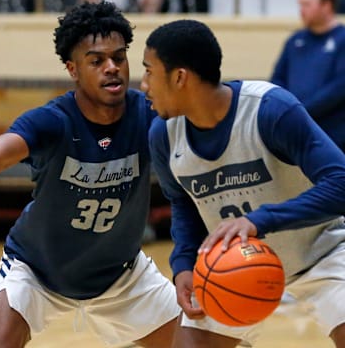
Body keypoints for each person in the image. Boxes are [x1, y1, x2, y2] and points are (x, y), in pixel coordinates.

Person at [0, 1, 180, 348]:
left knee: (206, 343)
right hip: (36, 271)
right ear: (73, 69)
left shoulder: (150, 114)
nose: (111, 68)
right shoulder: (53, 121)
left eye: (118, 58)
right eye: (97, 60)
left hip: (122, 275)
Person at [141, 18, 345, 347]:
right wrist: (182, 266)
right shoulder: (163, 135)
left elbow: (341, 182)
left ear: (179, 77)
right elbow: (183, 204)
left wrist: (258, 220)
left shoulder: (271, 110)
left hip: (320, 253)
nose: (144, 84)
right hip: (232, 265)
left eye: (149, 71)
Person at [270, 0, 345, 152]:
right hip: (296, 134)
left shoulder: (342, 39)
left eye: (307, 5)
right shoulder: (295, 40)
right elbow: (277, 79)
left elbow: (338, 88)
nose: (301, 11)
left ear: (326, 5)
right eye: (300, 5)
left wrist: (300, 110)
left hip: (333, 137)